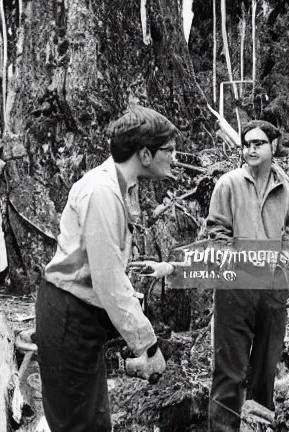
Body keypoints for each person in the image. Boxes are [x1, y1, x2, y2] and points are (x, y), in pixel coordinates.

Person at [35, 105, 181, 432]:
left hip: (83, 317)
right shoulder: (101, 192)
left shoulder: (121, 188)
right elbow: (107, 281)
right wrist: (148, 345)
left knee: (94, 420)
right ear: (145, 154)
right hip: (68, 317)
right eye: (169, 150)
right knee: (81, 425)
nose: (174, 157)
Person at [204, 120, 289, 432]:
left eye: (258, 143)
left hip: (273, 290)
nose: (250, 149)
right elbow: (217, 231)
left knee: (265, 370)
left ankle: (258, 427)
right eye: (247, 143)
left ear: (273, 146)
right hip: (235, 289)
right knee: (229, 372)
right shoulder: (228, 184)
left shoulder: (287, 191)